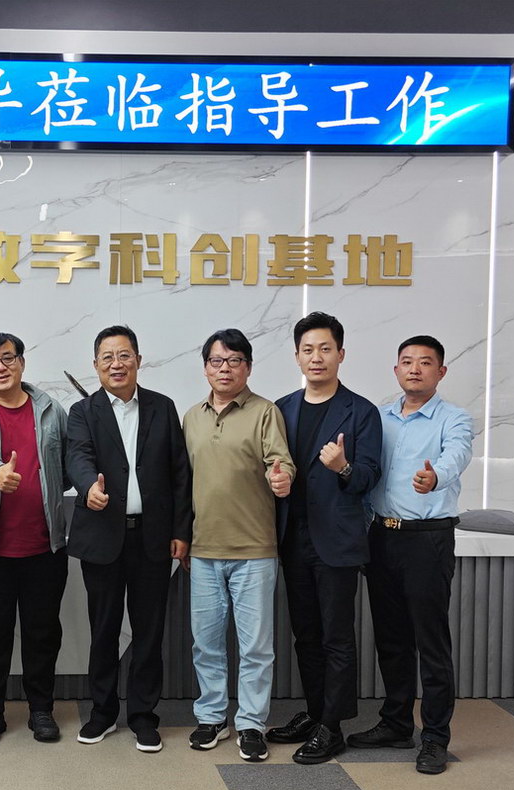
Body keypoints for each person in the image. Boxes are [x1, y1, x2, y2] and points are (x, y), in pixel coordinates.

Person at [348, 335, 473, 775]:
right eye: (407, 361)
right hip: (382, 537)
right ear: (396, 370)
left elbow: (456, 456)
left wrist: (434, 477)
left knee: (430, 642)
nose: (415, 369)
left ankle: (435, 737)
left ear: (441, 371)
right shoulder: (378, 417)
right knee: (391, 639)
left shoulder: (454, 419)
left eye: (425, 362)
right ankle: (397, 723)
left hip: (427, 541)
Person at [65, 325, 192, 753]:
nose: (116, 364)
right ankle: (101, 713)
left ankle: (143, 716)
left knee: (148, 633)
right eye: (107, 357)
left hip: (152, 539)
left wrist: (181, 531)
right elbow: (78, 456)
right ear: (95, 365)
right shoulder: (83, 412)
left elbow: (179, 473)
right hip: (102, 538)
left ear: (138, 360)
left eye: (124, 356)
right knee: (103, 631)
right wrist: (89, 487)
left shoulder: (162, 407)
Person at [267, 311, 382, 764]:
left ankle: (332, 727)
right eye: (308, 350)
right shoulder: (281, 408)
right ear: (297, 356)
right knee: (306, 635)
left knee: (336, 637)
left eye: (325, 349)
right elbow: (271, 466)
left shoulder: (362, 411)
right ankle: (316, 714)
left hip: (336, 542)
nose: (316, 357)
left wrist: (343, 467)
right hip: (292, 539)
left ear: (341, 354)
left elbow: (369, 476)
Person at [183, 329, 295, 763]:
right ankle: (212, 717)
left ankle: (251, 723)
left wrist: (281, 477)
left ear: (247, 367)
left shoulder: (265, 412)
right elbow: (182, 482)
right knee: (206, 644)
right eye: (216, 361)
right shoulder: (192, 417)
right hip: (203, 551)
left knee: (256, 648)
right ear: (205, 368)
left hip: (254, 551)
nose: (224, 369)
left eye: (233, 361)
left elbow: (280, 461)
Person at [0, 332, 70, 746]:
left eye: (7, 358)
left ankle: (42, 710)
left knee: (43, 635)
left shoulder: (51, 410)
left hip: (46, 546)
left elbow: (67, 465)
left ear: (21, 362)